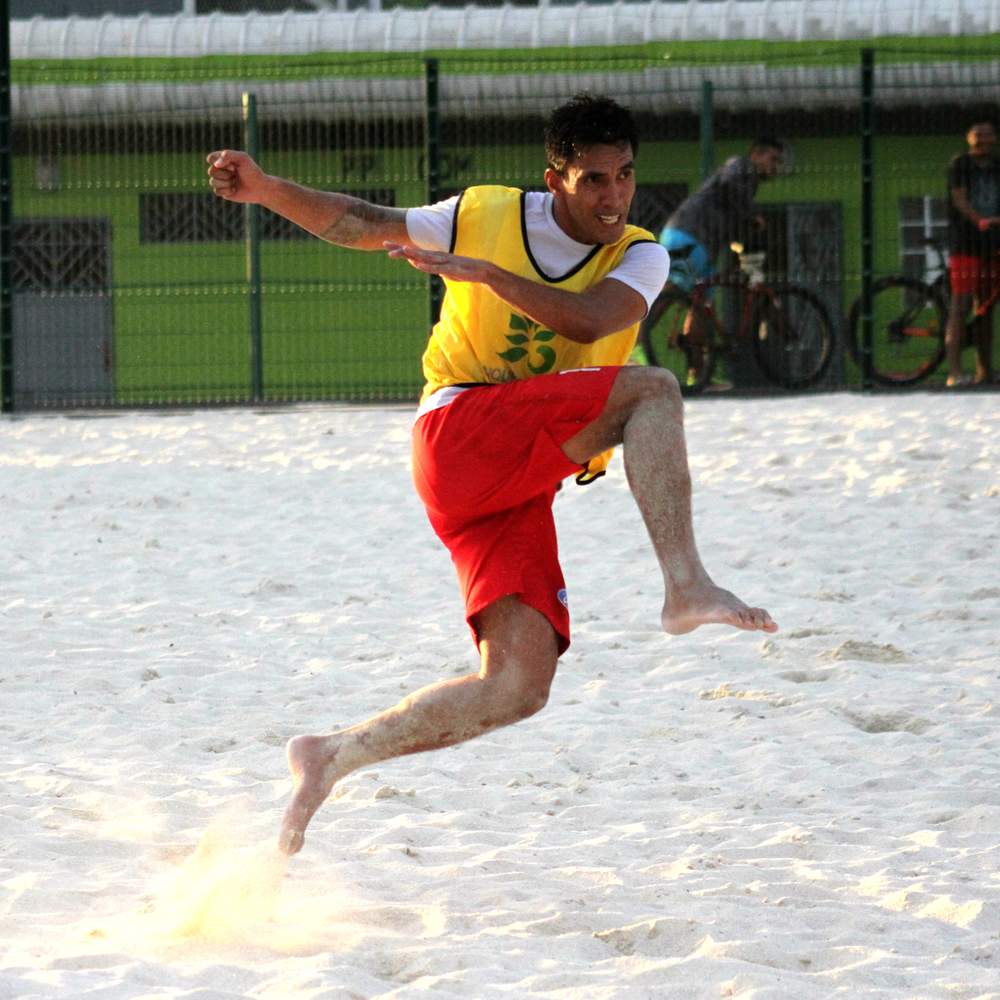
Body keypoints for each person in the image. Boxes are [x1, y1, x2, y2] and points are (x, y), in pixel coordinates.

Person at [206, 94, 778, 857]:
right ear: (556, 178)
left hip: (519, 475)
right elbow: (363, 221)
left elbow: (589, 320)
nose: (613, 197)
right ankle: (685, 585)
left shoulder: (640, 251)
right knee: (654, 390)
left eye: (625, 177)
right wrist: (267, 188)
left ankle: (329, 757)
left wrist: (487, 277)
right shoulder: (482, 214)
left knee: (517, 685)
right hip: (458, 433)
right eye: (594, 180)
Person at [657, 138, 785, 387]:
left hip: (704, 243)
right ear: (756, 153)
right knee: (675, 287)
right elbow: (732, 190)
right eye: (773, 159)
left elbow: (732, 211)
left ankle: (699, 375)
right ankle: (636, 343)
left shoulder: (748, 184)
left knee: (702, 304)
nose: (775, 166)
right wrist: (752, 217)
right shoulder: (741, 166)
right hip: (689, 233)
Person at [944, 121, 1000, 387]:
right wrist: (979, 220)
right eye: (978, 134)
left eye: (987, 134)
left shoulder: (998, 166)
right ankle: (955, 372)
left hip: (993, 246)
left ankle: (985, 371)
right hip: (965, 244)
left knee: (985, 308)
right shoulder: (961, 165)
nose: (983, 139)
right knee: (961, 306)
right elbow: (959, 199)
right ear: (968, 138)